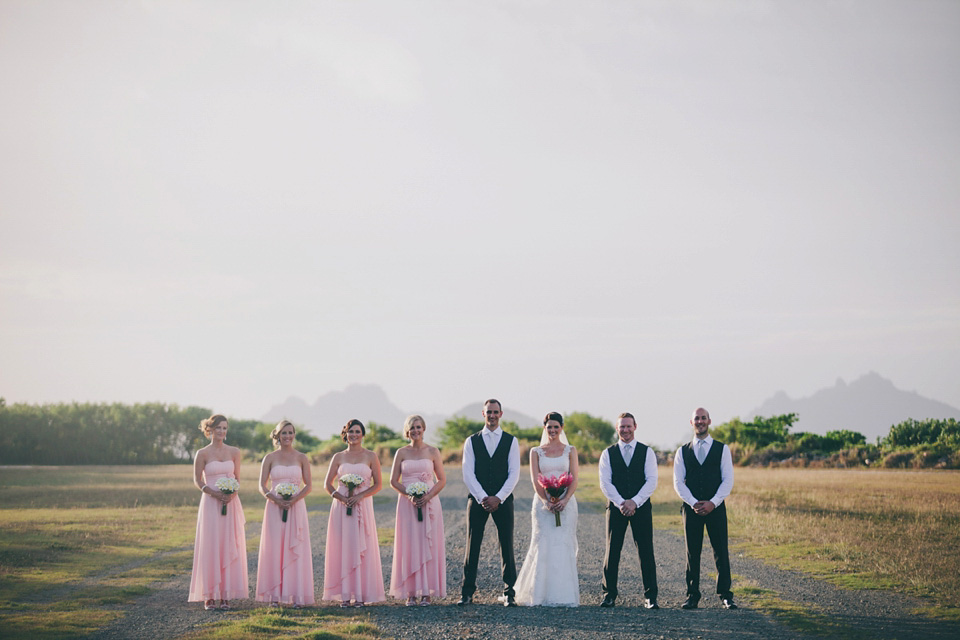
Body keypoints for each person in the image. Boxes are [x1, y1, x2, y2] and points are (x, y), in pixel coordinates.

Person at [514, 412, 580, 607]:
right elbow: (535, 480)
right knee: (543, 544)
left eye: (556, 427)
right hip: (543, 504)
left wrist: (565, 499)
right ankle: (539, 593)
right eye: (549, 427)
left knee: (562, 543)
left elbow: (574, 477)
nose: (552, 430)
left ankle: (564, 594)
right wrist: (546, 501)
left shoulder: (570, 450)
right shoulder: (536, 451)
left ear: (562, 427)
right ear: (544, 428)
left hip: (566, 503)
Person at [673, 407, 736, 610]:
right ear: (691, 423)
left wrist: (712, 502)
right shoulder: (682, 451)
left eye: (703, 418)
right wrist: (693, 503)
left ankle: (726, 595)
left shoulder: (722, 449)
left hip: (715, 507)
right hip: (691, 509)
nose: (700, 421)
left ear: (709, 421)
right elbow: (678, 482)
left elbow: (728, 480)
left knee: (720, 551)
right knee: (693, 552)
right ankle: (692, 596)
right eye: (696, 419)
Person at [459, 398, 521, 606]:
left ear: (501, 414)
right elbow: (468, 473)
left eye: (496, 412)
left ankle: (509, 591)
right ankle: (467, 592)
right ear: (483, 414)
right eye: (489, 412)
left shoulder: (511, 441)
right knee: (472, 545)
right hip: (478, 500)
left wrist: (499, 497)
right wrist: (482, 497)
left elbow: (514, 473)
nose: (492, 416)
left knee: (507, 544)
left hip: (503, 500)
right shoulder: (471, 441)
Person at [188, 414, 249, 610]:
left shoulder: (234, 452)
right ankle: (210, 594)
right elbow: (197, 480)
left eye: (224, 428)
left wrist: (232, 494)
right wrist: (213, 492)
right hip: (210, 503)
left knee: (228, 543)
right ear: (210, 430)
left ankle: (226, 594)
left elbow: (238, 478)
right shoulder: (202, 454)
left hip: (230, 502)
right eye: (218, 428)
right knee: (211, 545)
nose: (222, 432)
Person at [598, 412, 659, 609]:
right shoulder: (608, 453)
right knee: (612, 550)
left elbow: (651, 480)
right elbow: (605, 483)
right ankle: (609, 595)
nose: (625, 430)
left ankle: (651, 596)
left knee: (645, 551)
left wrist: (635, 501)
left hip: (641, 507)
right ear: (617, 429)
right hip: (616, 508)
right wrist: (621, 503)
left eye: (628, 426)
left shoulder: (647, 452)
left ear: (635, 427)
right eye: (621, 427)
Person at [322, 419, 386, 607]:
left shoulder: (371, 456)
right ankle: (344, 595)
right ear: (345, 434)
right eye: (350, 431)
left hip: (362, 505)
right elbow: (327, 484)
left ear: (363, 435)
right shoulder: (338, 457)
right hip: (341, 506)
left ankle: (360, 595)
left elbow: (378, 484)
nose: (354, 435)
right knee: (343, 546)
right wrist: (340, 497)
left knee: (361, 546)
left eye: (357, 431)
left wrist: (360, 496)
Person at [255, 420, 315, 607]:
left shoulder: (302, 458)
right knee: (275, 547)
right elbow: (261, 485)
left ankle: (296, 594)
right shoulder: (270, 458)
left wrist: (294, 499)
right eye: (284, 433)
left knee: (294, 547)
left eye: (290, 433)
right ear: (277, 435)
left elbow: (309, 485)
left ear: (294, 435)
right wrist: (275, 499)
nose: (287, 436)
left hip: (296, 507)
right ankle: (274, 595)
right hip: (274, 507)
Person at [388, 415, 447, 606]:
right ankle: (410, 592)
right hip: (407, 503)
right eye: (412, 428)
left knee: (427, 544)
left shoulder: (433, 451)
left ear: (424, 429)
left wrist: (427, 496)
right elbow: (393, 481)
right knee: (409, 544)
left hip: (429, 503)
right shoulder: (401, 452)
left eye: (419, 427)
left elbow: (442, 480)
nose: (416, 431)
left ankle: (426, 592)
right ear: (407, 431)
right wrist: (410, 495)